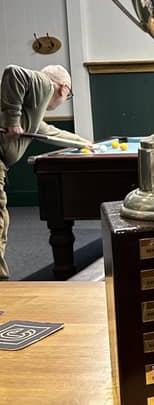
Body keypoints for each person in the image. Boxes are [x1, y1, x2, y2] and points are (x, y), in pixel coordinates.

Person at [0, 64, 92, 279]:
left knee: (2, 222)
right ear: (64, 88)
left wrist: (85, 143)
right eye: (68, 95)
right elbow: (14, 72)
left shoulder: (33, 109)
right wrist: (13, 121)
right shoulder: (45, 85)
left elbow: (50, 132)